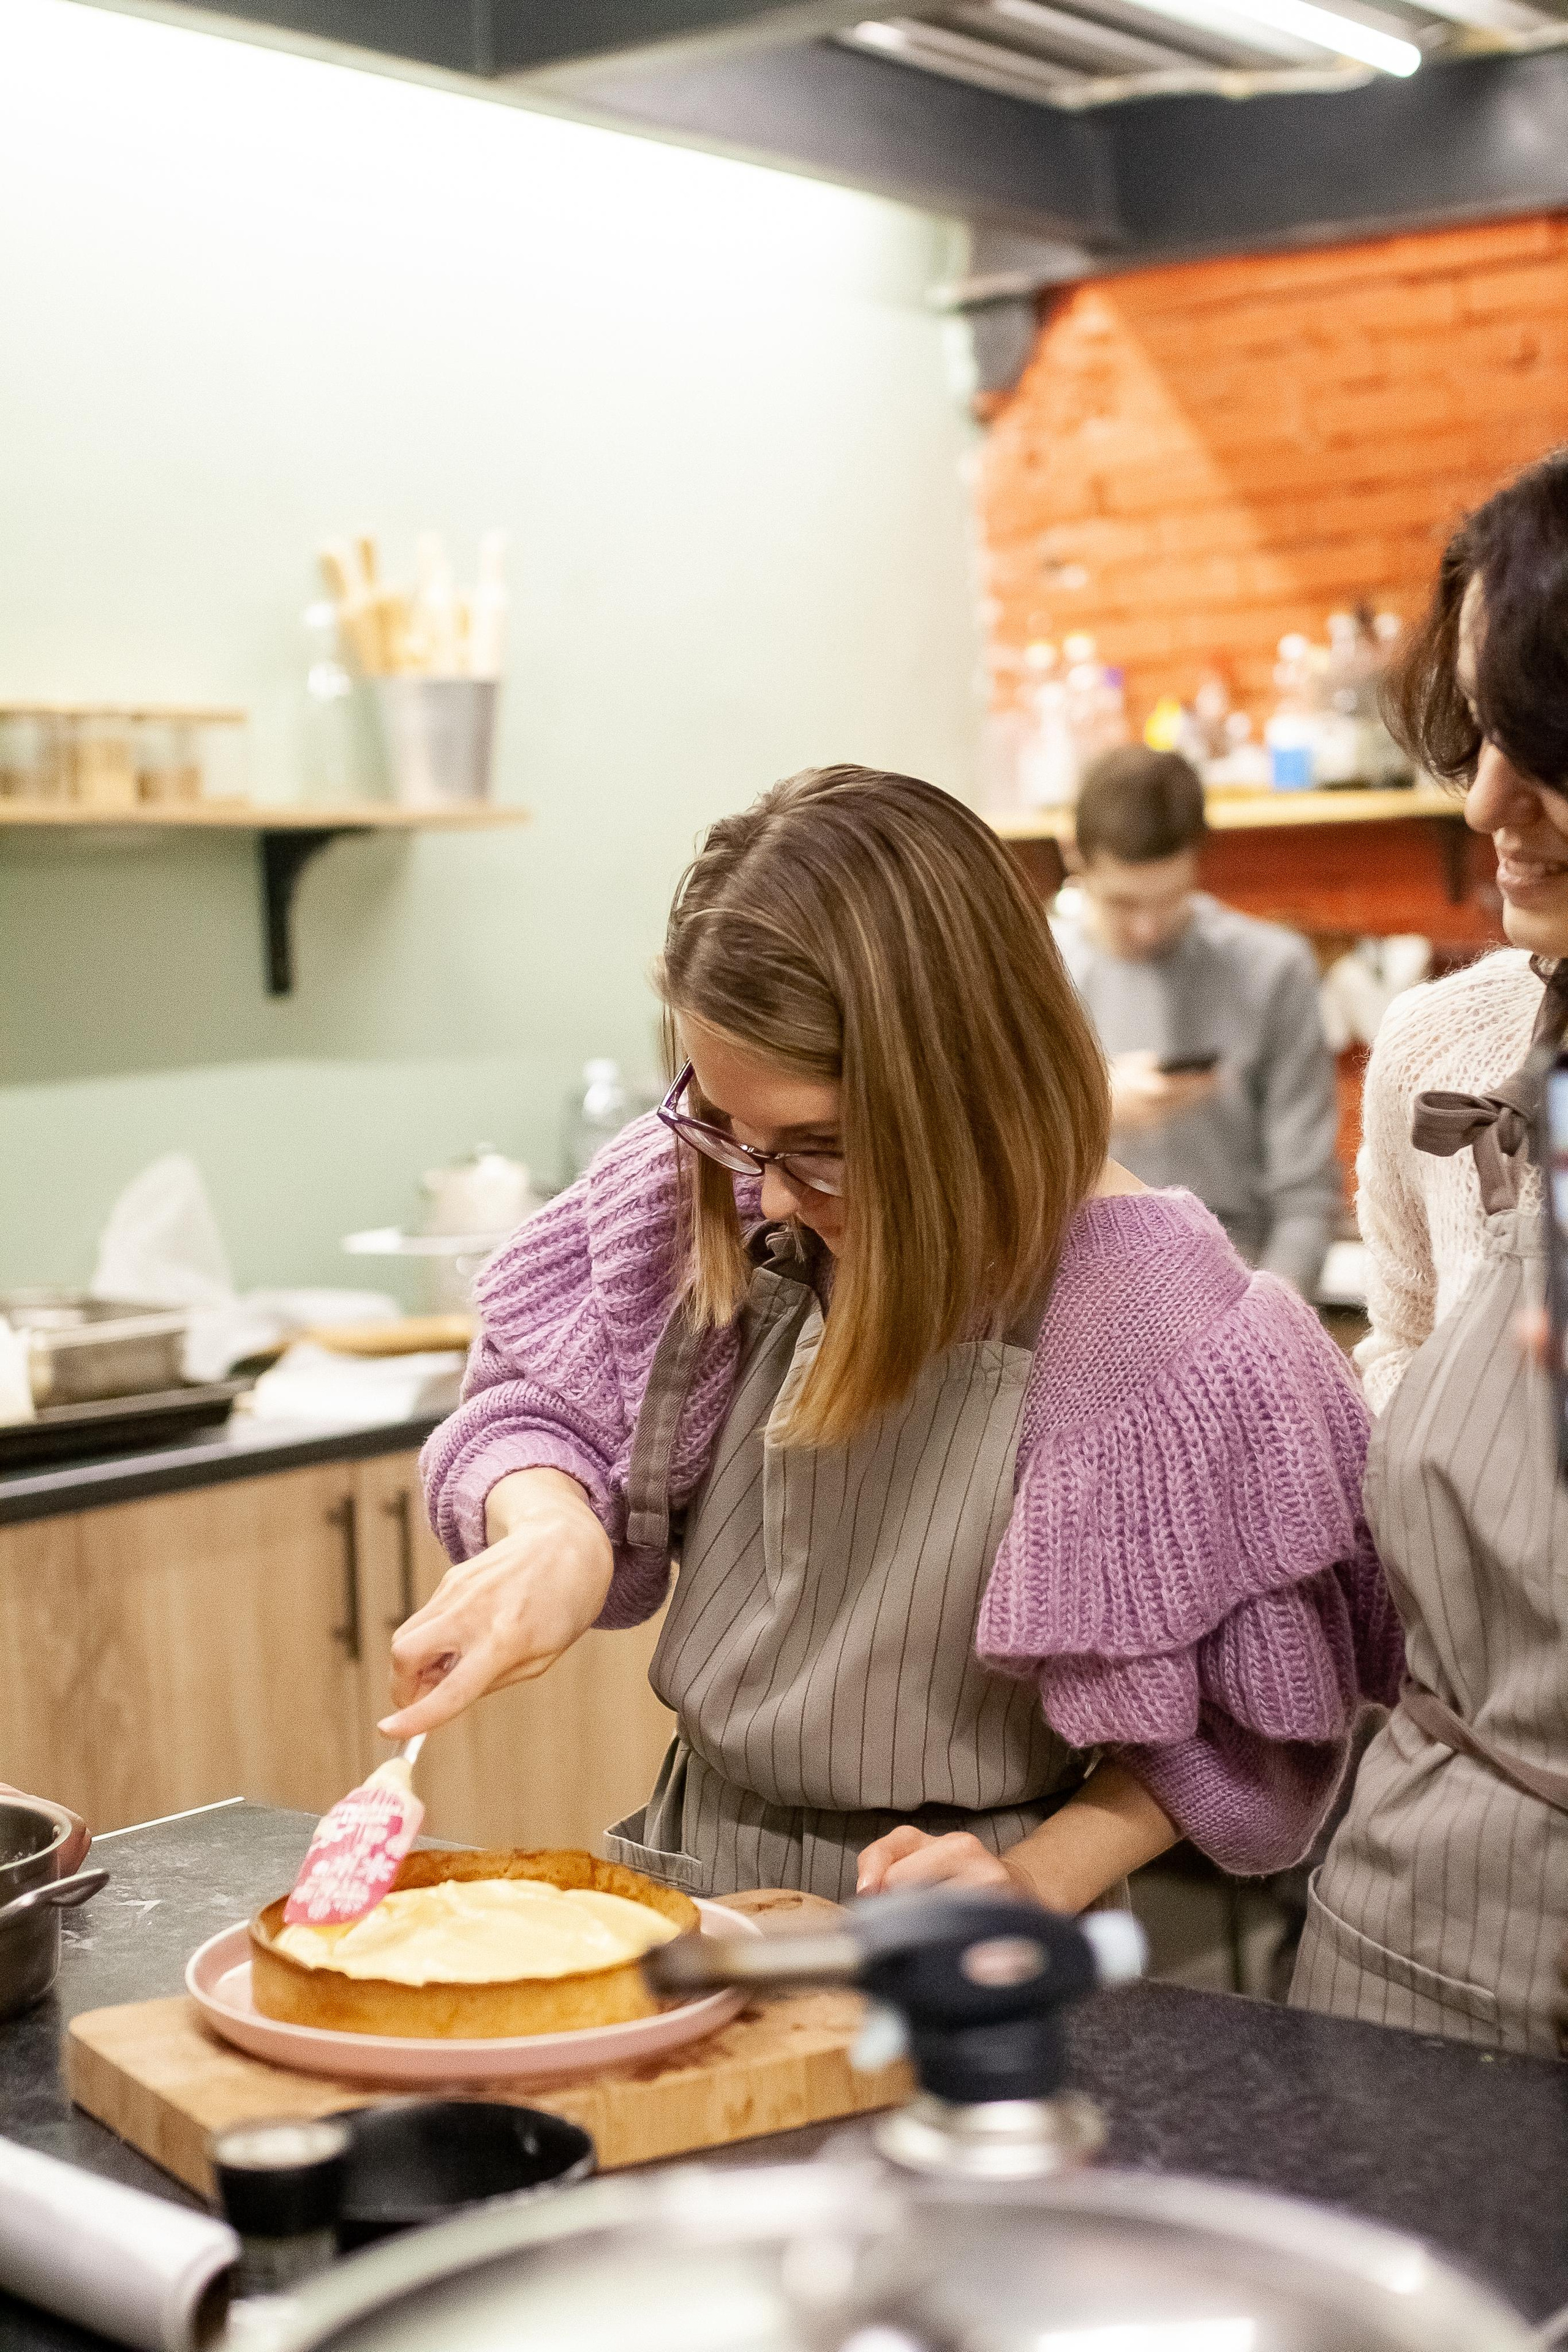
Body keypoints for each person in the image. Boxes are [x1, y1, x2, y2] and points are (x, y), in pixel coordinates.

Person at [393, 766, 1398, 1909]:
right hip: (700, 1882)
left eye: (819, 1145)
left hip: (968, 1933)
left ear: (968, 1085)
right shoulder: (708, 1190)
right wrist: (552, 1528)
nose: (767, 1199)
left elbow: (1255, 1729)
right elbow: (534, 1410)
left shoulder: (1174, 1331)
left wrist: (1028, 1880)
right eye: (727, 1128)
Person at [1292, 447, 1568, 2053]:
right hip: (1410, 1922)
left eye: (1547, 748)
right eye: (1477, 737)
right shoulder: (1440, 1051)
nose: (1487, 807)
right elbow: (1400, 1351)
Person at [1052, 746, 1340, 1299]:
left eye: (1169, 900)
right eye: (1122, 903)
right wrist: (1092, 1114)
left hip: (1234, 1283)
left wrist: (1274, 1327)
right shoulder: (1029, 974)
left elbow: (1305, 1193)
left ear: (1198, 862)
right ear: (1074, 854)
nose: (1146, 928)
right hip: (1070, 1291)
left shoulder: (1272, 970)